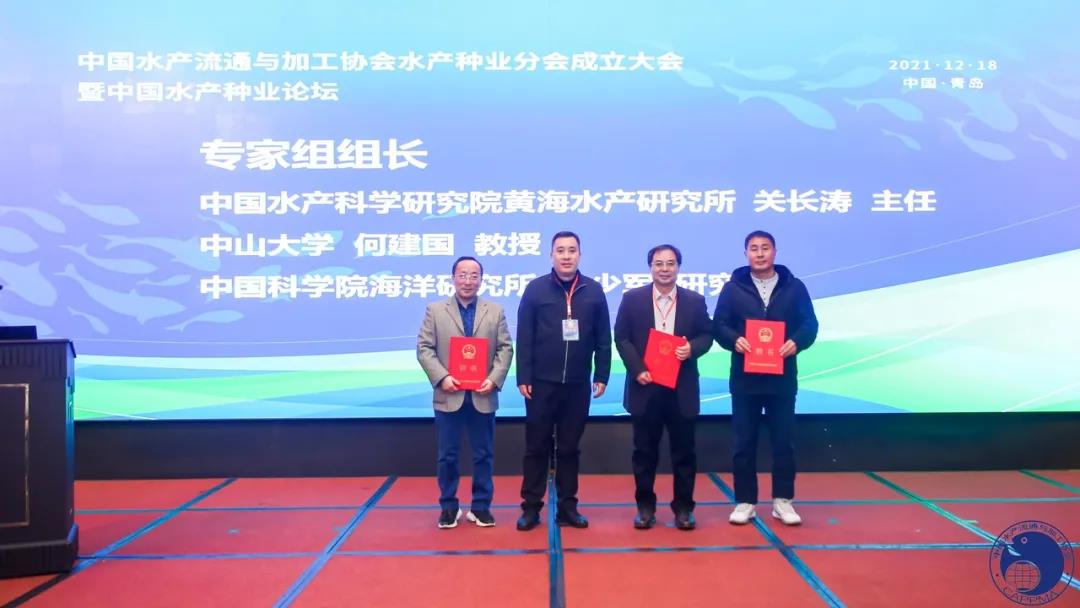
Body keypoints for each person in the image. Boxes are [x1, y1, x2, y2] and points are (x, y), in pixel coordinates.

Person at [712, 230, 818, 526]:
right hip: (745, 379)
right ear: (746, 253)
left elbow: (810, 324)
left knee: (783, 443)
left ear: (775, 252)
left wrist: (796, 342)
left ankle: (783, 501)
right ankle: (745, 501)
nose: (759, 254)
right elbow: (719, 325)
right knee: (743, 443)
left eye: (765, 248)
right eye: (754, 248)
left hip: (781, 378)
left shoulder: (794, 287)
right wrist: (734, 340)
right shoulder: (732, 288)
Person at [515, 231, 611, 531]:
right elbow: (524, 336)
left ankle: (568, 507)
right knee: (536, 447)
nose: (566, 256)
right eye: (560, 250)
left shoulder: (594, 291)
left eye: (572, 250)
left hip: (578, 385)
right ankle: (531, 508)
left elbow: (603, 337)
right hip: (541, 384)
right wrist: (523, 375)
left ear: (579, 254)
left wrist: (602, 374)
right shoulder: (535, 289)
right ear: (551, 255)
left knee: (569, 448)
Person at [613, 244, 712, 530]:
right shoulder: (632, 299)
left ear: (678, 267)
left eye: (670, 264)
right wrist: (638, 369)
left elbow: (707, 334)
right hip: (646, 386)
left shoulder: (694, 301)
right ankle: (645, 507)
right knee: (644, 452)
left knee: (684, 453)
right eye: (659, 264)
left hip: (681, 388)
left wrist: (692, 348)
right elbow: (622, 337)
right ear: (651, 268)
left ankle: (684, 508)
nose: (665, 269)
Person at [417, 256, 513, 528]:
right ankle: (449, 507)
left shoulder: (495, 311)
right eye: (463, 275)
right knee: (447, 456)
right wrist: (442, 377)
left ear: (481, 279)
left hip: (483, 395)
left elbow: (505, 349)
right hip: (449, 394)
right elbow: (424, 348)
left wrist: (493, 380)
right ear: (453, 278)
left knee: (483, 454)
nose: (468, 281)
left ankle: (481, 507)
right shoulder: (435, 310)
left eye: (474, 275)